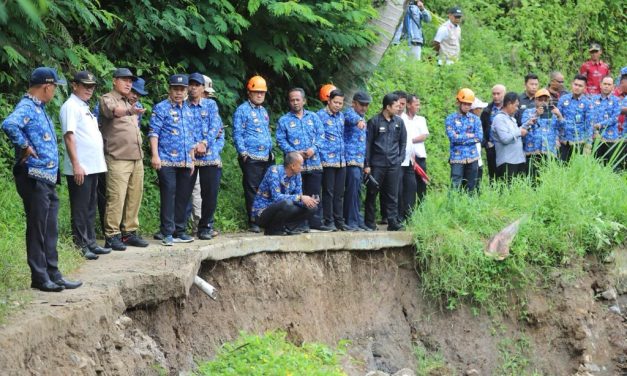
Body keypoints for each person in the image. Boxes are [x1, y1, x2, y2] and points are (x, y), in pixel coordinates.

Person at [2, 67, 82, 292]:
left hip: (46, 177)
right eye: (55, 87)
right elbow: (9, 124)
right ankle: (39, 277)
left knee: (50, 227)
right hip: (33, 177)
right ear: (47, 86)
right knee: (38, 227)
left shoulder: (39, 107)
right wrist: (25, 146)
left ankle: (53, 273)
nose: (55, 92)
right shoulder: (27, 106)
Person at [60, 71, 110, 261]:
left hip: (93, 165)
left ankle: (90, 242)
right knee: (80, 207)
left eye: (92, 86)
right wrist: (76, 165)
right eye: (85, 85)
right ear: (74, 85)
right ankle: (80, 245)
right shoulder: (70, 106)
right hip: (81, 166)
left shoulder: (84, 106)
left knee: (90, 206)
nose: (89, 89)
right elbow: (69, 136)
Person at [98, 68, 148, 250]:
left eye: (130, 81)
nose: (129, 83)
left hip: (136, 157)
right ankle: (112, 235)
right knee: (116, 197)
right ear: (114, 81)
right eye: (124, 80)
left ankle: (129, 232)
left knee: (135, 196)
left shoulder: (130, 101)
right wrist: (130, 111)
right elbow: (114, 111)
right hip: (117, 157)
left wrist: (131, 110)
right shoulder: (107, 98)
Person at [148, 74, 197, 246]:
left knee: (183, 197)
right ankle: (167, 232)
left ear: (186, 91)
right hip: (166, 160)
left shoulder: (189, 110)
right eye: (175, 89)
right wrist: (155, 155)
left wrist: (191, 159)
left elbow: (191, 137)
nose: (179, 92)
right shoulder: (161, 108)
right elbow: (154, 132)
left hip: (185, 161)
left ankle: (179, 230)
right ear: (170, 90)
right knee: (168, 195)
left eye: (182, 89)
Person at [276, 88, 328, 231]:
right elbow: (280, 140)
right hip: (294, 167)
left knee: (314, 193)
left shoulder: (313, 117)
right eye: (292, 100)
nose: (295, 102)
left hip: (314, 163)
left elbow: (321, 135)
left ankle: (316, 222)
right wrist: (294, 152)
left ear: (304, 101)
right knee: (297, 196)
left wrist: (313, 149)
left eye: (298, 99)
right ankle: (298, 224)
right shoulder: (284, 120)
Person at [185, 73, 224, 241]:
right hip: (189, 156)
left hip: (209, 156)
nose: (193, 87)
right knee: (183, 192)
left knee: (210, 194)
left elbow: (216, 126)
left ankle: (206, 226)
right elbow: (183, 129)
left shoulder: (211, 105)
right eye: (191, 84)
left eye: (197, 84)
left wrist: (204, 143)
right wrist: (194, 146)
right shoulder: (182, 106)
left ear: (203, 88)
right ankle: (178, 227)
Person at [233, 75, 273, 233]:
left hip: (266, 156)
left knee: (266, 189)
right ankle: (254, 221)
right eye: (256, 92)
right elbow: (237, 133)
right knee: (252, 189)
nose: (259, 95)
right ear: (249, 92)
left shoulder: (263, 110)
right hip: (251, 156)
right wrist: (243, 153)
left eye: (262, 92)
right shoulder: (242, 110)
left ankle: (265, 219)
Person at [364, 93, 406, 231]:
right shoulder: (374, 121)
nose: (399, 108)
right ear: (387, 107)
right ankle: (369, 221)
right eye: (396, 105)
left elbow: (403, 142)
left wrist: (400, 158)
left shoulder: (399, 122)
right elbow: (368, 144)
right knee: (372, 192)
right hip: (377, 164)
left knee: (392, 194)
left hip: (393, 164)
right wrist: (367, 164)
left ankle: (392, 222)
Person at [252, 152, 319, 236]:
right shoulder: (274, 171)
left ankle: (288, 228)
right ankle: (272, 229)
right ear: (292, 166)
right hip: (263, 213)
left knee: (312, 207)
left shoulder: (297, 175)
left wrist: (309, 201)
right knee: (287, 203)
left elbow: (298, 198)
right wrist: (300, 197)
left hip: (283, 209)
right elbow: (276, 197)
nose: (302, 167)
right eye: (301, 165)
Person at [317, 89, 349, 231]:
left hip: (341, 160)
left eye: (340, 103)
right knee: (328, 192)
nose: (337, 105)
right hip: (327, 160)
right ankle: (328, 220)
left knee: (339, 192)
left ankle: (339, 220)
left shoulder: (341, 116)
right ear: (329, 101)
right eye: (335, 102)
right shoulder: (320, 116)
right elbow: (317, 136)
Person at [343, 91, 371, 231]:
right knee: (351, 191)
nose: (364, 108)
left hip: (359, 161)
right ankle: (351, 222)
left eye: (366, 105)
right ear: (353, 103)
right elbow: (349, 117)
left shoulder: (363, 117)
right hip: (350, 160)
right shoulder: (350, 114)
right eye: (361, 104)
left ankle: (357, 220)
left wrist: (366, 164)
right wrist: (358, 121)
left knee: (357, 192)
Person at [445, 88, 483, 192]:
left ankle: (470, 206)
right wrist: (470, 136)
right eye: (465, 104)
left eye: (469, 104)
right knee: (455, 184)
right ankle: (453, 206)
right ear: (459, 102)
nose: (467, 106)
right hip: (457, 157)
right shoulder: (450, 119)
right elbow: (453, 138)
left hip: (473, 156)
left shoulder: (475, 119)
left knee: (472, 185)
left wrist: (460, 136)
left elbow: (479, 137)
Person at [521, 88, 563, 179]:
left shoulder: (553, 112)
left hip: (549, 151)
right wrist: (536, 115)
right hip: (532, 151)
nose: (543, 102)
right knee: (532, 178)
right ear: (535, 100)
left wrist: (559, 115)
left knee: (547, 178)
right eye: (540, 99)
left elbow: (563, 128)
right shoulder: (528, 112)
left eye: (546, 100)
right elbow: (524, 126)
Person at [399, 94, 429, 221]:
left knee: (422, 185)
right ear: (409, 105)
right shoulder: (402, 118)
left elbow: (424, 136)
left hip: (420, 156)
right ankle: (406, 213)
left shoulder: (421, 119)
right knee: (408, 186)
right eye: (416, 104)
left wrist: (409, 141)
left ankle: (422, 211)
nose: (418, 107)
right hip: (406, 158)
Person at [492, 92, 527, 181]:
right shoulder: (499, 118)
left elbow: (515, 133)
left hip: (518, 159)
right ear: (508, 104)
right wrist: (519, 131)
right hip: (507, 161)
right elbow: (505, 138)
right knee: (508, 189)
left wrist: (527, 124)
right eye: (516, 106)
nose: (517, 109)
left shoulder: (511, 119)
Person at [557, 74, 593, 162]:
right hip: (563, 140)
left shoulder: (587, 103)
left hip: (579, 141)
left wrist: (588, 144)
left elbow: (589, 124)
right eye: (575, 84)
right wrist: (555, 138)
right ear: (572, 84)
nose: (577, 87)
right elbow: (556, 120)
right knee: (561, 167)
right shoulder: (563, 99)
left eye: (580, 86)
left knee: (577, 167)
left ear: (584, 87)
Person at [590, 76, 621, 165]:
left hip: (610, 138)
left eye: (609, 84)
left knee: (610, 164)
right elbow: (590, 115)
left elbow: (615, 118)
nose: (606, 86)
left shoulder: (616, 101)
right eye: (605, 84)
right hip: (596, 137)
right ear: (600, 85)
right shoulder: (593, 99)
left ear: (613, 87)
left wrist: (599, 124)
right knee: (595, 163)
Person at [480, 84, 506, 181]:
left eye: (498, 94)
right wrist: (486, 143)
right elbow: (481, 128)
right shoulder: (487, 110)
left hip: (506, 147)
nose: (496, 96)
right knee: (493, 175)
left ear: (504, 94)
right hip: (492, 147)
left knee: (506, 173)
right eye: (494, 94)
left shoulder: (509, 107)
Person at [470, 98, 488, 189]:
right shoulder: (472, 121)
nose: (481, 110)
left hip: (478, 156)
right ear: (474, 109)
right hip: (471, 157)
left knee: (478, 179)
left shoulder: (477, 120)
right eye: (479, 108)